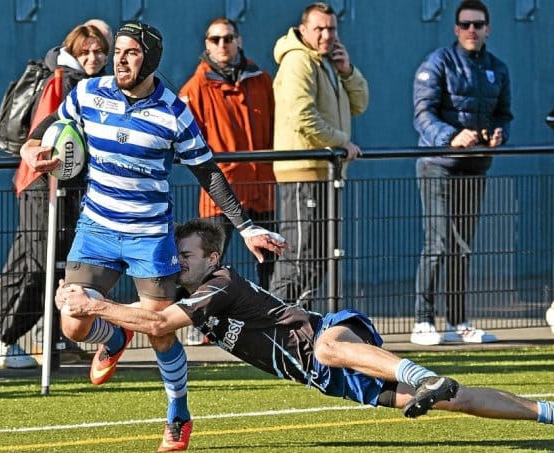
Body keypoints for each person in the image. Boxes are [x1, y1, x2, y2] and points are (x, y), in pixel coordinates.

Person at [20, 20, 286, 452]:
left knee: (161, 331)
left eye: (131, 53)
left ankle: (178, 413)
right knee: (72, 323)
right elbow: (46, 127)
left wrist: (246, 226)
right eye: (118, 51)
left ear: (150, 60)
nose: (120, 60)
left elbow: (208, 173)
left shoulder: (174, 112)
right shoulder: (88, 93)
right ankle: (114, 336)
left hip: (148, 234)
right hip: (97, 227)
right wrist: (31, 148)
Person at [56, 219, 554, 433]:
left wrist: (94, 306)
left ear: (211, 257)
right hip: (329, 379)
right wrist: (106, 329)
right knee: (458, 400)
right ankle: (546, 412)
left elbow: (157, 321)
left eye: (184, 256)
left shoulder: (220, 283)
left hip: (327, 335)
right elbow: (155, 326)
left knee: (327, 350)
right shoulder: (188, 296)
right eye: (174, 256)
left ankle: (420, 375)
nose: (175, 263)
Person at [0, 23, 110, 369]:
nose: (94, 57)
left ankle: (45, 337)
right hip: (44, 183)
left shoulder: (82, 82)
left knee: (44, 262)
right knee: (39, 264)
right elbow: (46, 138)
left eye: (99, 51)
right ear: (74, 51)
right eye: (87, 51)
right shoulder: (61, 81)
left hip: (61, 185)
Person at [411, 0, 512, 346]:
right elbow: (422, 113)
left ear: (488, 28)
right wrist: (451, 137)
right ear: (456, 29)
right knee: (438, 243)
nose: (472, 30)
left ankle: (458, 322)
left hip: (476, 168)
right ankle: (422, 321)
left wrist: (499, 133)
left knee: (462, 247)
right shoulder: (438, 61)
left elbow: (504, 115)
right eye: (466, 24)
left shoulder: (497, 68)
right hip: (438, 165)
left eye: (478, 24)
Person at [178, 17, 275, 345]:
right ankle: (199, 321)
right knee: (207, 262)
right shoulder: (195, 89)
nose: (222, 44)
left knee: (270, 261)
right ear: (206, 43)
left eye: (228, 38)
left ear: (238, 40)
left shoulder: (262, 80)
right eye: (216, 39)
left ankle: (271, 320)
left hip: (262, 185)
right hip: (220, 190)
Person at [268, 2, 368, 309]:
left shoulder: (325, 62)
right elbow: (303, 117)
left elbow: (360, 103)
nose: (327, 35)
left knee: (320, 255)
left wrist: (347, 71)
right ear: (303, 30)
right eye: (319, 29)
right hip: (303, 172)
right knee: (299, 254)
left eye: (332, 28)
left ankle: (301, 324)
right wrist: (341, 144)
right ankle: (274, 324)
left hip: (324, 172)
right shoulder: (298, 61)